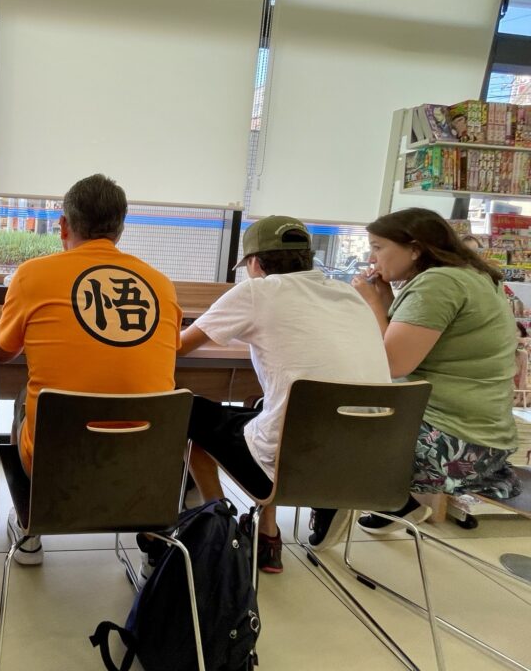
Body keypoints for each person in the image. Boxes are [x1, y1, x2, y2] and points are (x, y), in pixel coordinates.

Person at [179, 216, 391, 573]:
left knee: (188, 411)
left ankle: (220, 525)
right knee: (268, 411)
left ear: (254, 263)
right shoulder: (346, 293)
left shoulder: (257, 291)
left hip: (287, 466)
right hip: (361, 464)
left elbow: (180, 346)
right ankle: (269, 533)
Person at [0, 174, 182, 565]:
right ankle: (153, 551)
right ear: (120, 229)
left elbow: (2, 353)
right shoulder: (162, 286)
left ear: (63, 226)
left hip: (55, 464)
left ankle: (31, 531)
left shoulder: (32, 274)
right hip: (144, 467)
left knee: (23, 400)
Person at [352, 208, 521, 532]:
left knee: (320, 431)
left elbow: (393, 363)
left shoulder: (438, 283)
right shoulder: (471, 275)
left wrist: (372, 302)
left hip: (455, 442)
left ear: (415, 249)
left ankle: (351, 510)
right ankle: (394, 505)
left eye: (378, 247)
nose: (371, 258)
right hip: (486, 436)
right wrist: (384, 299)